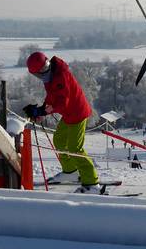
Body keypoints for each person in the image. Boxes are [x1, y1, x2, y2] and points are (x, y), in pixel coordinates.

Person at [23, 51, 99, 193]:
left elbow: (63, 103)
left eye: (46, 66)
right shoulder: (51, 76)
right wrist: (42, 109)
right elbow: (52, 96)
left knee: (75, 148)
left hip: (77, 113)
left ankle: (92, 183)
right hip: (69, 114)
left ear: (48, 62)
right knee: (59, 140)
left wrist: (42, 112)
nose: (45, 70)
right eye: (41, 70)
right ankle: (71, 171)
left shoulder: (60, 76)